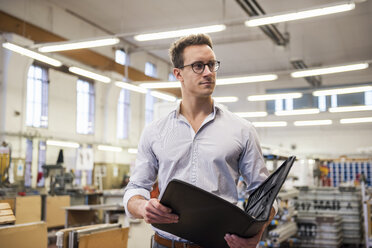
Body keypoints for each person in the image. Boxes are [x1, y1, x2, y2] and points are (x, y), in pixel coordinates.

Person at [123, 33, 276, 248]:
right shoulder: (154, 131)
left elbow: (263, 193)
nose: (208, 73)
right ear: (178, 74)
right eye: (198, 66)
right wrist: (143, 207)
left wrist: (257, 230)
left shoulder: (242, 130)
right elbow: (136, 187)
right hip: (165, 244)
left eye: (212, 65)